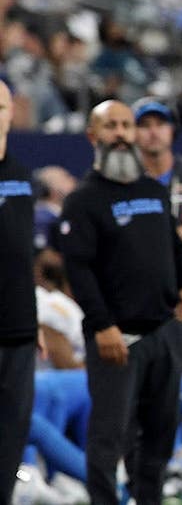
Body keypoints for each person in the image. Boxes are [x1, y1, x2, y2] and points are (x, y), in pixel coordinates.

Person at [56, 100, 182, 505]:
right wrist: (102, 326)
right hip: (116, 340)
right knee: (108, 440)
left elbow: (174, 248)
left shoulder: (153, 190)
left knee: (158, 438)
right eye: (110, 126)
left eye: (125, 125)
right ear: (92, 136)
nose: (120, 133)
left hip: (164, 334)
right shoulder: (82, 200)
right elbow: (78, 270)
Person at [131, 97, 182, 457]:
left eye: (159, 123)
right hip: (140, 300)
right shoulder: (125, 178)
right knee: (144, 391)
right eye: (144, 125)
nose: (152, 132)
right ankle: (149, 465)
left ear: (171, 130)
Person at [0, 79, 38, 505]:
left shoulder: (21, 177)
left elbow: (20, 254)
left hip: (21, 331)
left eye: (2, 106)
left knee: (11, 441)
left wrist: (33, 319)